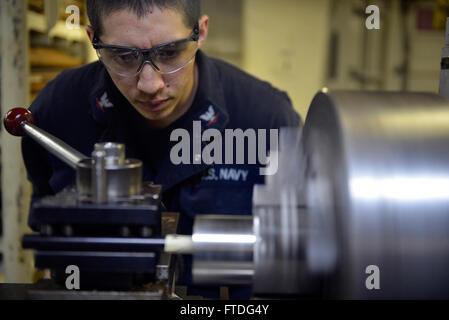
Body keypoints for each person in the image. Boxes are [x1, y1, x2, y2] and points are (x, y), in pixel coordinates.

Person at [22, 0, 302, 299]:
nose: (150, 84)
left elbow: (294, 262)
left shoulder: (267, 121)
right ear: (93, 40)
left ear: (201, 32)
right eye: (124, 56)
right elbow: (48, 231)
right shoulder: (57, 111)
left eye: (169, 53)